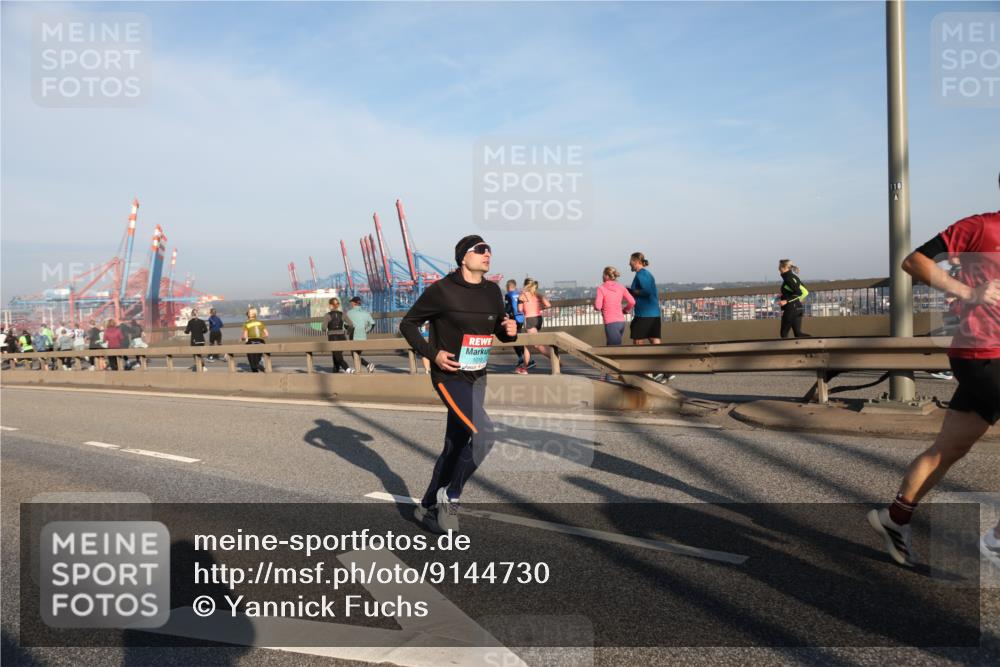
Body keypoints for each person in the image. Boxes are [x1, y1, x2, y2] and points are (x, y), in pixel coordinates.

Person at [867, 190, 1000, 567]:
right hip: (983, 353)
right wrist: (969, 292)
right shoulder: (982, 226)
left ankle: (894, 518)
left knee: (949, 448)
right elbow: (914, 261)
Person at [400, 234, 518, 533]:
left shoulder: (492, 291)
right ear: (463, 257)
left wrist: (510, 330)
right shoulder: (442, 290)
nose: (487, 253)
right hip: (450, 376)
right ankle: (449, 495)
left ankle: (425, 506)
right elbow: (408, 324)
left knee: (455, 445)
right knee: (485, 435)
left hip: (478, 376)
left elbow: (498, 330)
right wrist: (433, 354)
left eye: (489, 249)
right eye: (480, 250)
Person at [627, 252, 662, 345]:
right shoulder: (646, 274)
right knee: (654, 338)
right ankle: (659, 357)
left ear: (636, 261)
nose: (629, 263)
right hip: (653, 313)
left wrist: (630, 291)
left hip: (644, 314)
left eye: (630, 261)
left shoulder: (641, 274)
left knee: (638, 339)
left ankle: (638, 359)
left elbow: (646, 291)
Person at [517, 278, 551, 373]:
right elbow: (548, 305)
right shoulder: (537, 294)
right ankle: (524, 368)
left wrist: (522, 305)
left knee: (537, 345)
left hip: (530, 320)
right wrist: (539, 307)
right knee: (526, 345)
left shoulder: (523, 296)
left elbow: (519, 310)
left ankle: (556, 359)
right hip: (538, 319)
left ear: (525, 285)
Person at [595, 266, 635, 346]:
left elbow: (598, 306)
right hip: (621, 322)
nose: (602, 276)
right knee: (612, 345)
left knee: (614, 349)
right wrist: (625, 310)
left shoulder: (601, 288)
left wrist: (596, 306)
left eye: (603, 274)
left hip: (610, 322)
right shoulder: (621, 287)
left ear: (606, 275)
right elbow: (632, 301)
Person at [778, 259, 811, 338]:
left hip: (791, 309)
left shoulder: (788, 278)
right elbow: (805, 291)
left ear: (784, 267)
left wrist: (786, 300)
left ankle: (785, 350)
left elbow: (798, 292)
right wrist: (796, 299)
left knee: (784, 334)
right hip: (798, 307)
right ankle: (814, 344)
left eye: (779, 266)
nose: (778, 268)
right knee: (798, 334)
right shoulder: (794, 277)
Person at [323, 297, 355, 374]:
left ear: (331, 305)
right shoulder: (342, 314)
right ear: (337, 305)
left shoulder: (327, 315)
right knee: (337, 353)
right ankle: (335, 369)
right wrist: (347, 332)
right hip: (342, 337)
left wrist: (326, 330)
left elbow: (323, 327)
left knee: (337, 355)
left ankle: (347, 369)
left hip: (332, 337)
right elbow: (351, 324)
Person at [346, 296, 377, 373]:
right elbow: (373, 323)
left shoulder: (349, 313)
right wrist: (366, 330)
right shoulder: (365, 312)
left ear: (353, 303)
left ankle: (367, 365)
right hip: (363, 336)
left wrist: (348, 331)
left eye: (351, 302)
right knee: (357, 354)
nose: (351, 304)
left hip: (353, 335)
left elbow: (345, 325)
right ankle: (363, 367)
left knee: (354, 354)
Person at [504, 279, 527, 372]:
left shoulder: (508, 295)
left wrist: (504, 313)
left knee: (512, 337)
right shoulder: (519, 294)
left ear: (508, 287)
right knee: (518, 336)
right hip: (521, 318)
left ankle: (523, 358)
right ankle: (524, 357)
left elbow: (507, 308)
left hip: (513, 318)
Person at [241, 308, 269, 372]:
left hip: (251, 342)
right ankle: (259, 365)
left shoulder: (247, 324)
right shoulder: (260, 323)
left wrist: (242, 338)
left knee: (252, 359)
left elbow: (245, 337)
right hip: (260, 342)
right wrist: (260, 337)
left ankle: (255, 370)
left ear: (248, 315)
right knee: (257, 358)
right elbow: (267, 334)